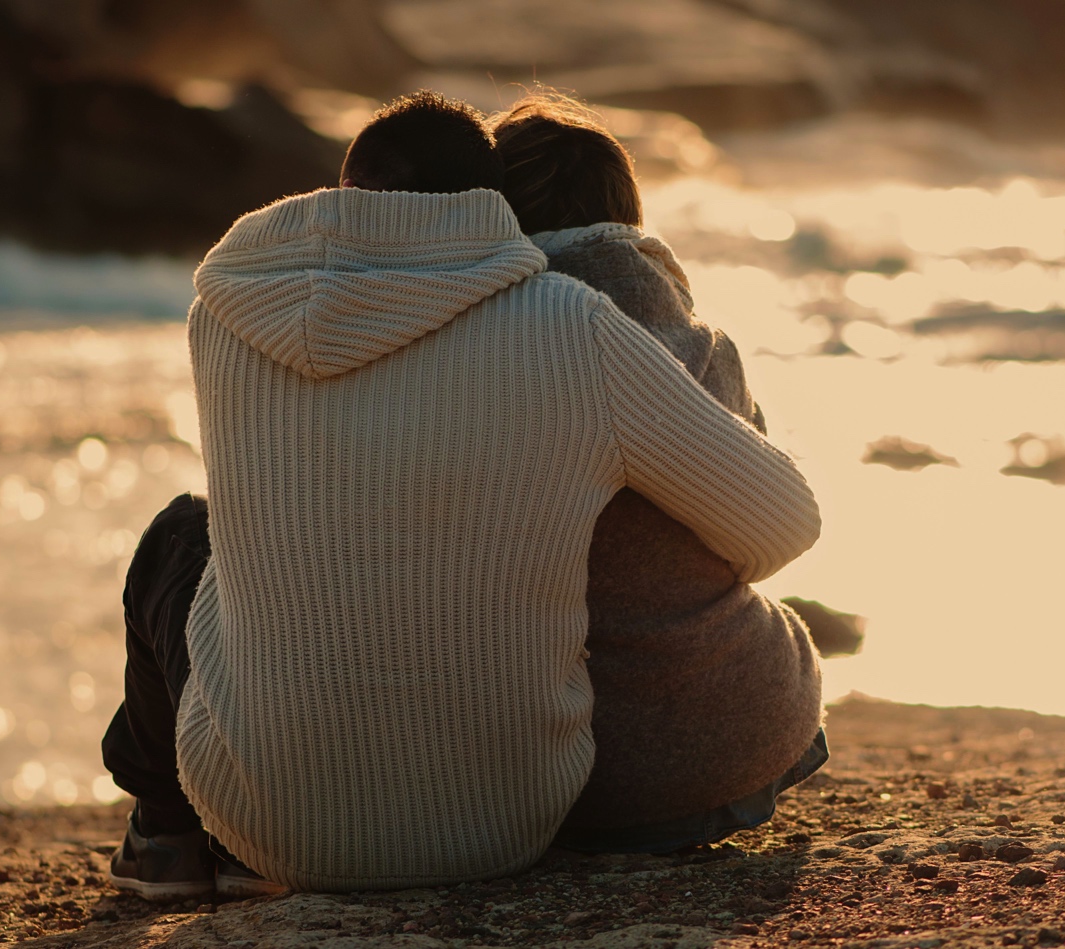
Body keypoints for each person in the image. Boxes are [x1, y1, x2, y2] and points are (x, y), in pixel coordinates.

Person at [102, 89, 820, 897]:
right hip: (507, 823)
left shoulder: (222, 315)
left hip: (258, 825)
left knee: (184, 534)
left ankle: (165, 833)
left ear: (340, 196)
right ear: (488, 207)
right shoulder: (564, 324)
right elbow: (781, 522)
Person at [491, 93, 827, 852]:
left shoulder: (473, 351)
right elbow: (767, 538)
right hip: (721, 750)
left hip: (525, 767)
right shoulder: (697, 346)